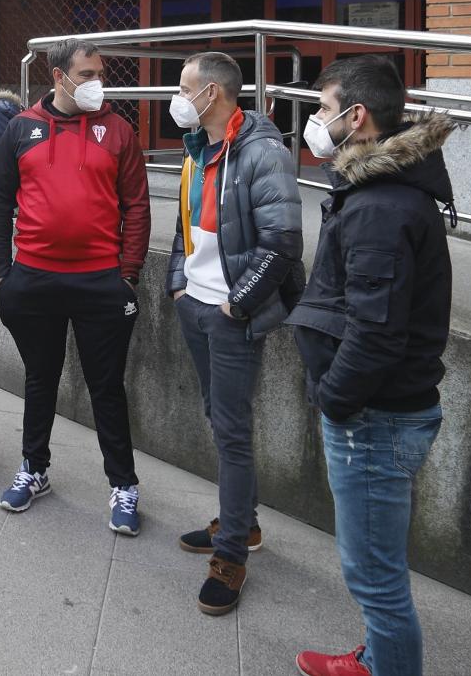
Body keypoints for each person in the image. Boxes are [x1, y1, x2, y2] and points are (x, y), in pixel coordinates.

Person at [290, 56, 456, 676]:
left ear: (356, 118)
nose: (314, 122)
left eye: (323, 109)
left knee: (375, 578)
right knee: (376, 565)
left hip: (374, 420)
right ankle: (377, 657)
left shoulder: (382, 206)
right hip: (378, 414)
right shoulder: (378, 189)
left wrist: (334, 399)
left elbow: (377, 332)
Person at [0, 38, 150, 533]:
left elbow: (137, 206)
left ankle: (123, 484)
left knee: (107, 389)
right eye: (87, 74)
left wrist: (128, 275)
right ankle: (34, 469)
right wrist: (3, 273)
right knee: (40, 381)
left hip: (101, 282)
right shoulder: (20, 129)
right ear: (58, 78)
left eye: (100, 73)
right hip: (34, 280)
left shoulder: (118, 130)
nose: (97, 83)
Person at [165, 51, 304, 616]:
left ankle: (232, 553)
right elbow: (184, 225)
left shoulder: (263, 152)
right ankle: (240, 523)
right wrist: (178, 283)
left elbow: (283, 244)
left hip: (229, 315)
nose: (177, 98)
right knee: (218, 419)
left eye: (183, 87)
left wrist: (236, 306)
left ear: (213, 95)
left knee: (233, 431)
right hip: (195, 305)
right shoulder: (198, 144)